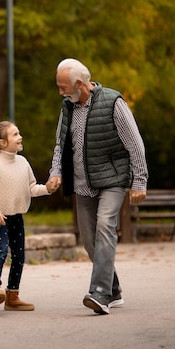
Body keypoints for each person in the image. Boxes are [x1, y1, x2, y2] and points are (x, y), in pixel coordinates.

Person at [46, 58, 148, 315]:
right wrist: (55, 172)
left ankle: (99, 293)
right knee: (90, 240)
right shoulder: (67, 108)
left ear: (79, 84)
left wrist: (139, 181)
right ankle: (113, 290)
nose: (60, 92)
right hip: (82, 184)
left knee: (105, 226)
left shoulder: (113, 102)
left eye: (63, 87)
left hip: (112, 180)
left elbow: (135, 144)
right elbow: (60, 144)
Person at [0, 116, 57, 312]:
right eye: (15, 134)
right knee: (2, 249)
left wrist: (47, 189)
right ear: (2, 142)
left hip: (17, 216)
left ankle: (12, 296)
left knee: (19, 256)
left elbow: (32, 187)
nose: (20, 136)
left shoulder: (23, 162)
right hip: (0, 217)